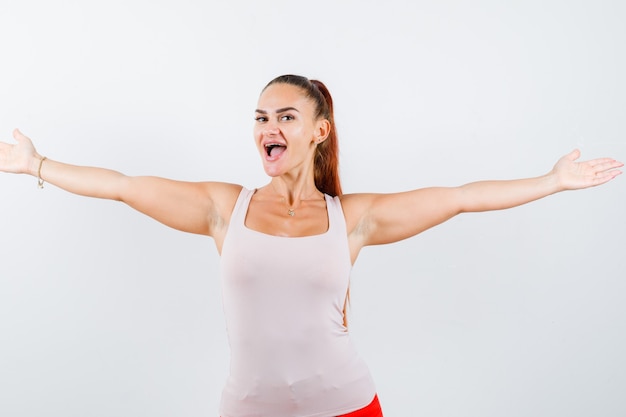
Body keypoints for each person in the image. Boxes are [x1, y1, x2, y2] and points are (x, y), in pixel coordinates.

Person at [0, 74, 622, 417]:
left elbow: (459, 197)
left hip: (347, 404)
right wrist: (38, 164)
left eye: (285, 117)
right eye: (260, 117)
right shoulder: (225, 209)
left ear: (319, 131)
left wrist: (551, 182)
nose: (268, 127)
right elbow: (122, 186)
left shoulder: (353, 219)